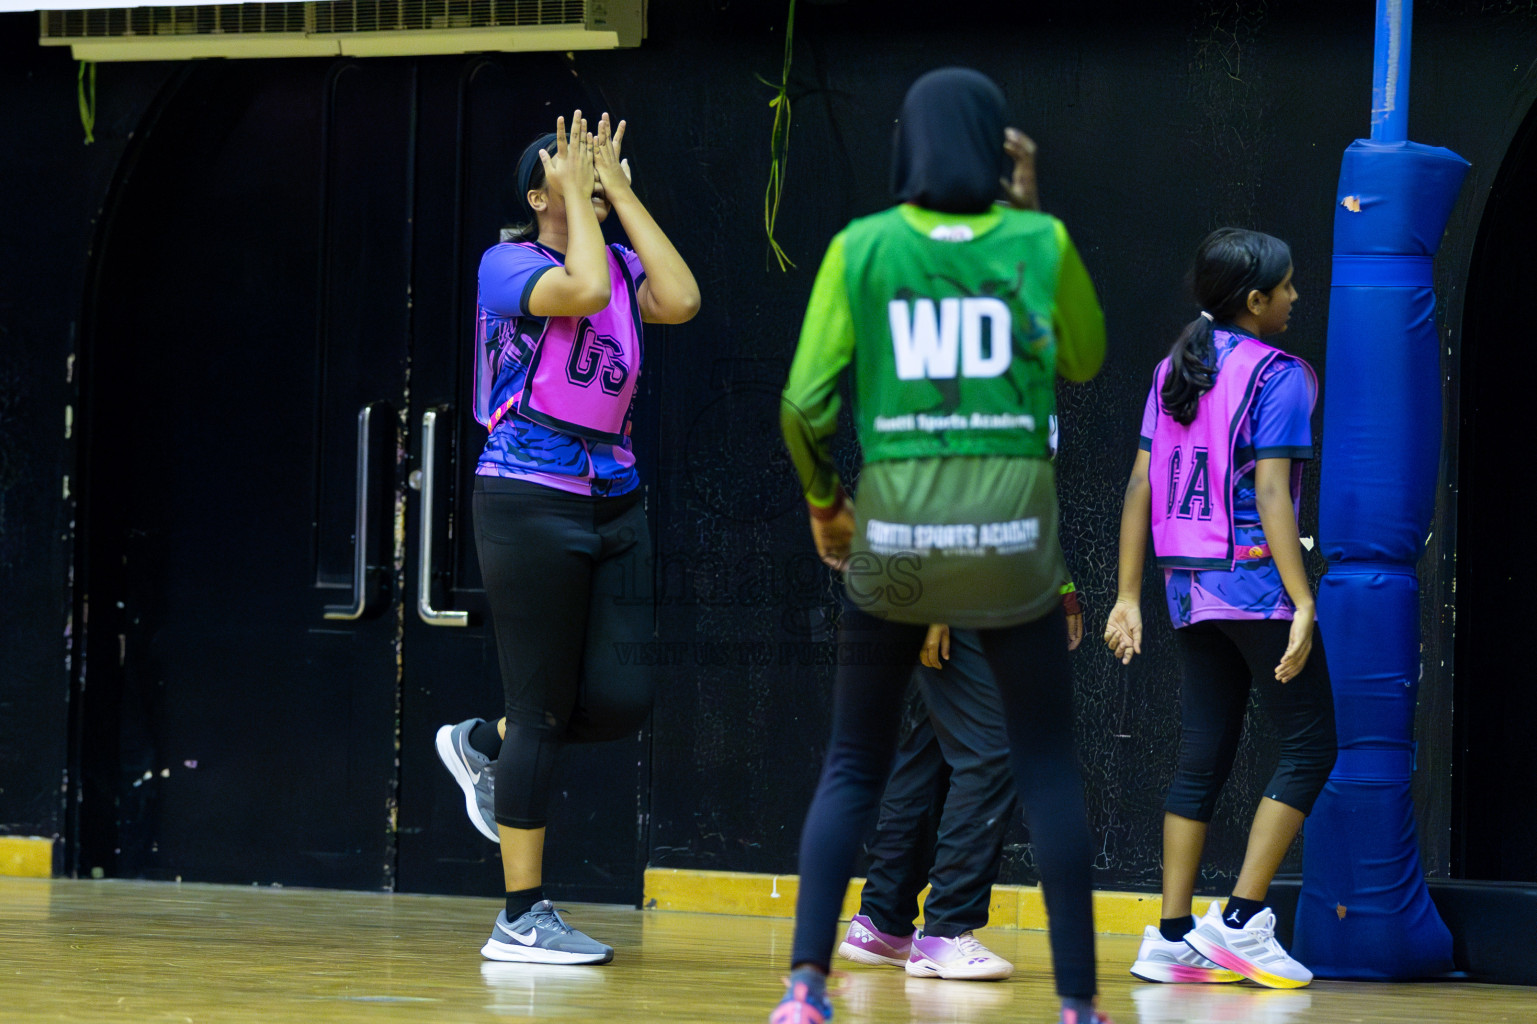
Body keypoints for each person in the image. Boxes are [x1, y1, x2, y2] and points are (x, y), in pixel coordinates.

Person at [775, 67, 1109, 1024]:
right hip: (1011, 546)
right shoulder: (1036, 244)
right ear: (997, 148)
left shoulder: (863, 248)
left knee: (854, 761)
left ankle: (806, 987)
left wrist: (825, 503)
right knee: (1044, 768)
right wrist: (1033, 215)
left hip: (897, 540)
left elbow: (802, 405)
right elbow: (1083, 359)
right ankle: (1080, 1005)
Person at [434, 110, 700, 965]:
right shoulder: (506, 262)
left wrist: (616, 189)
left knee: (622, 696)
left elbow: (682, 299)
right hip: (526, 494)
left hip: (612, 495)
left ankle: (486, 744)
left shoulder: (619, 260)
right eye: (570, 162)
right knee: (541, 708)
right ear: (536, 192)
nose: (586, 169)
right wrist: (588, 202)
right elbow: (578, 291)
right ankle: (519, 915)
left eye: (595, 162)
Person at [1103, 227, 1336, 990]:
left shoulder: (1176, 367)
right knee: (1311, 744)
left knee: (1201, 755)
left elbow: (1140, 485)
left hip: (1185, 587)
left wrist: (1128, 595)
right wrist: (1301, 599)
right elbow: (1271, 492)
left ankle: (1171, 935)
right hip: (1254, 586)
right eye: (1288, 287)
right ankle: (1237, 920)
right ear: (1255, 300)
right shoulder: (1280, 376)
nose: (1297, 298)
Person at [838, 593, 1083, 982]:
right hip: (948, 590)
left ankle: (883, 919)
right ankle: (945, 930)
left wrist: (1061, 592)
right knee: (994, 747)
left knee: (929, 748)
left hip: (968, 589)